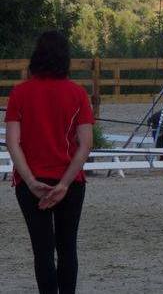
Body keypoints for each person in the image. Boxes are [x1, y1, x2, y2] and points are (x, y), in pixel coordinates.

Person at [5, 31, 94, 294]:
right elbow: (85, 144)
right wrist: (65, 184)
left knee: (42, 251)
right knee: (67, 249)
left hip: (30, 182)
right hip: (70, 182)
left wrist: (31, 182)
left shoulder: (20, 93)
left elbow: (13, 142)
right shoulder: (77, 94)